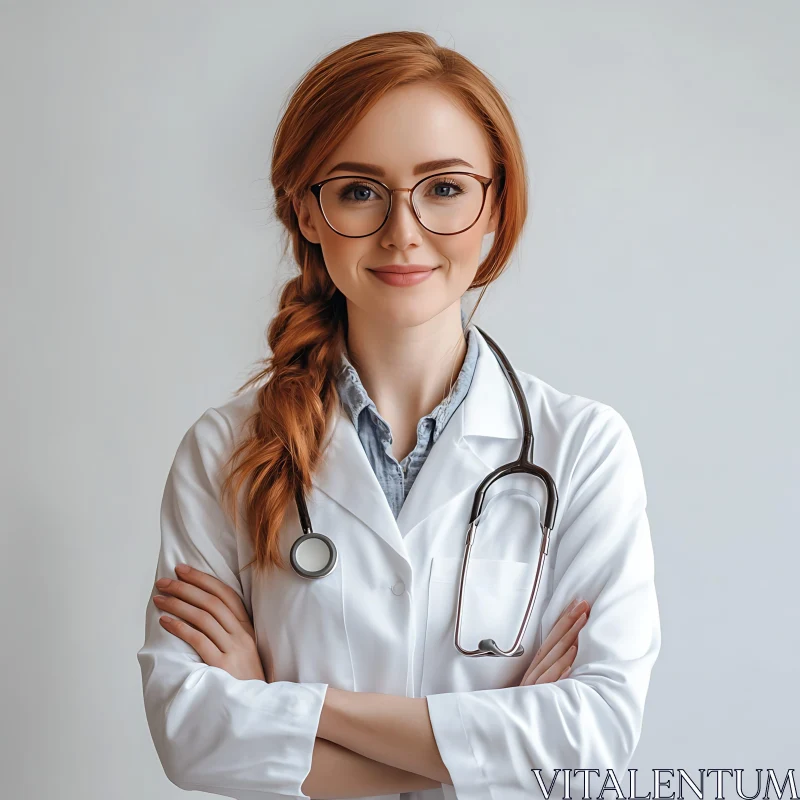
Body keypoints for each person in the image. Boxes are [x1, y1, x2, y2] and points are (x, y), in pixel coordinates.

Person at [137, 30, 661, 800]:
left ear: (495, 206)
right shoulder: (225, 452)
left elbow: (592, 744)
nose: (402, 230)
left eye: (444, 188)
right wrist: (501, 732)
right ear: (306, 213)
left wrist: (280, 709)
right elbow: (192, 737)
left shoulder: (581, 448)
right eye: (358, 190)